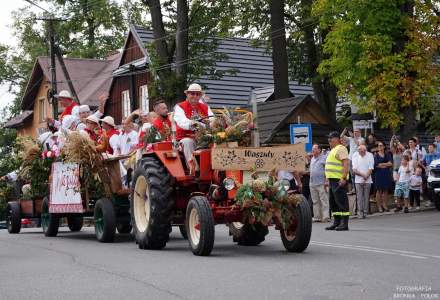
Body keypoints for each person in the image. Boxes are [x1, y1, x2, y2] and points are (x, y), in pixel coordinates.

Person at [174, 83, 214, 173]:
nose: (195, 96)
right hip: (185, 137)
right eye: (192, 93)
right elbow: (182, 122)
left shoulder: (205, 107)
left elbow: (212, 120)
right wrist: (196, 125)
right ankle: (194, 169)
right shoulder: (180, 107)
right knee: (188, 142)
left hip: (204, 138)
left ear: (200, 95)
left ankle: (214, 169)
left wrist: (212, 125)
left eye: (197, 94)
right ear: (187, 94)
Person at [324, 131, 350, 231]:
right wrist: (327, 180)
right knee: (334, 202)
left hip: (339, 180)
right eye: (329, 138)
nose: (329, 140)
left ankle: (344, 223)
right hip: (332, 180)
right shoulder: (333, 150)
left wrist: (343, 178)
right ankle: (336, 222)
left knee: (341, 201)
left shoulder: (341, 148)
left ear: (336, 139)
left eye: (331, 138)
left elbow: (346, 163)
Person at [352, 145, 374, 219]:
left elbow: (371, 168)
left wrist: (366, 177)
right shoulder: (355, 155)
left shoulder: (370, 155)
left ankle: (365, 212)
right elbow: (354, 169)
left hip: (368, 180)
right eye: (359, 151)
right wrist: (363, 176)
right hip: (358, 180)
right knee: (359, 197)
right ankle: (360, 212)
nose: (360, 152)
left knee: (366, 197)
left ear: (365, 150)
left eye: (362, 151)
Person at [309, 144, 329, 222]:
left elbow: (327, 170)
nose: (312, 150)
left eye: (314, 149)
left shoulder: (324, 158)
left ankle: (325, 217)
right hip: (312, 183)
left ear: (319, 150)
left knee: (324, 200)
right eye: (312, 149)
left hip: (321, 183)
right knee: (315, 201)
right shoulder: (312, 159)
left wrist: (327, 180)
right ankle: (317, 217)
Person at [374, 141, 393, 212]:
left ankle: (384, 205)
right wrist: (386, 164)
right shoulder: (376, 155)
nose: (379, 147)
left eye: (381, 145)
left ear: (384, 147)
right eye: (378, 146)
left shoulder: (387, 154)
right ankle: (379, 206)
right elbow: (376, 165)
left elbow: (390, 163)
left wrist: (382, 164)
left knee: (385, 190)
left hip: (386, 174)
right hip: (378, 174)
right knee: (379, 190)